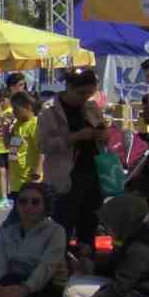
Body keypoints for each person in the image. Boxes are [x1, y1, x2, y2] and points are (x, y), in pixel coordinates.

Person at [37, 69, 106, 251]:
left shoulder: (91, 106)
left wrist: (102, 135)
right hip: (65, 177)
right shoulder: (49, 110)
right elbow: (43, 145)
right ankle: (62, 266)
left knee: (89, 225)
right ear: (68, 87)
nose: (85, 97)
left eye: (90, 93)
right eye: (81, 93)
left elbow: (105, 137)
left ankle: (87, 263)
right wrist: (74, 137)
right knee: (63, 227)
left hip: (93, 172)